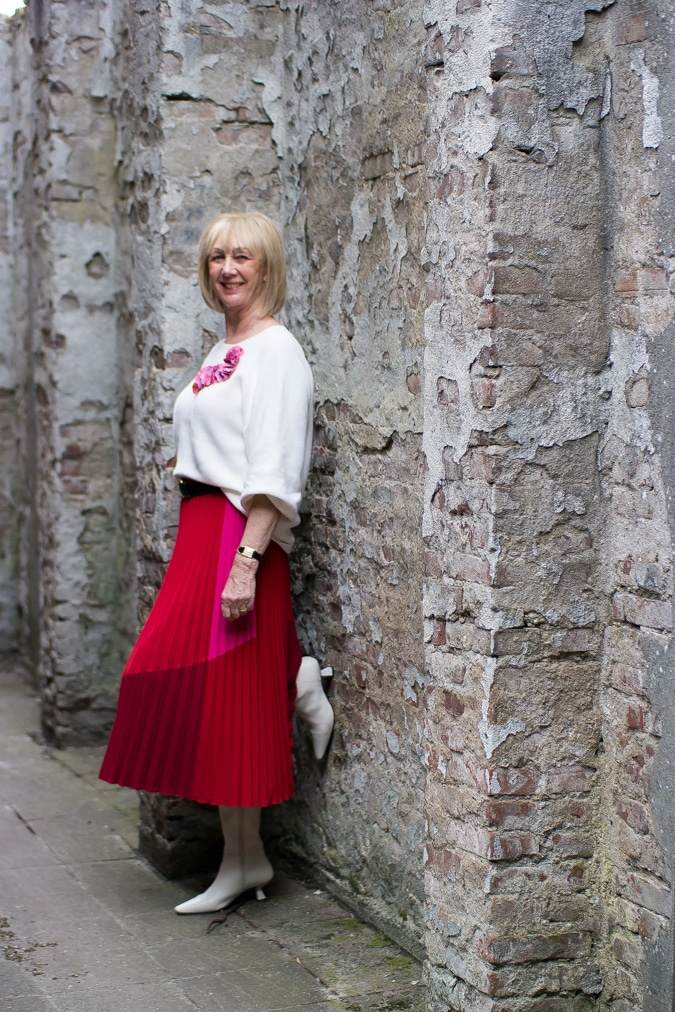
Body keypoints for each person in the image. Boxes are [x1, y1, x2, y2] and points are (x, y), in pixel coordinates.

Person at [99, 211, 333, 915]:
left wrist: (245, 562)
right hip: (200, 524)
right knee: (202, 689)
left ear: (267, 266)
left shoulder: (276, 350)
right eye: (215, 258)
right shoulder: (221, 349)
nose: (227, 269)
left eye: (242, 257)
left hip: (239, 534)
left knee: (227, 696)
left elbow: (274, 466)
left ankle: (244, 859)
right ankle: (295, 680)